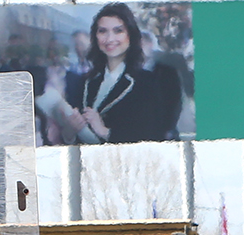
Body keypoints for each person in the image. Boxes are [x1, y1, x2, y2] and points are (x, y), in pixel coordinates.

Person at [61, 4, 176, 144]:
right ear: (95, 37)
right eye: (103, 31)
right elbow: (69, 141)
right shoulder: (84, 82)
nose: (110, 39)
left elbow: (153, 136)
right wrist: (69, 132)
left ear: (130, 35)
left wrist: (104, 131)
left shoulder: (147, 83)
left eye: (118, 31)